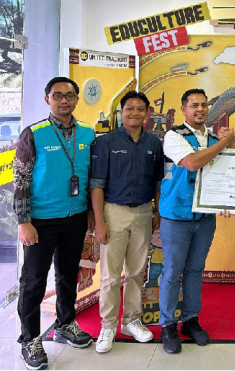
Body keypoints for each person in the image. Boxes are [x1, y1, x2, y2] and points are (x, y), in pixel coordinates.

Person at [15, 76, 96, 370]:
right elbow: (20, 180)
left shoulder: (88, 132)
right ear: (47, 98)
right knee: (33, 281)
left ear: (77, 99)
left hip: (75, 218)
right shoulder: (33, 134)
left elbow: (90, 176)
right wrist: (24, 221)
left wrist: (88, 211)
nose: (64, 100)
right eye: (57, 95)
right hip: (40, 221)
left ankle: (65, 324)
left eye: (70, 95)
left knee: (67, 275)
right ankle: (29, 339)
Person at [158, 88, 235, 354]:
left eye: (204, 105)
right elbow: (192, 163)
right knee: (172, 272)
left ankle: (190, 319)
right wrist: (223, 144)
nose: (200, 109)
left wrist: (228, 199)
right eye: (194, 105)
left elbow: (229, 169)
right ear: (184, 109)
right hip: (177, 215)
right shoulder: (173, 135)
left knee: (195, 270)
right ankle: (168, 325)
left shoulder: (214, 137)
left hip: (205, 217)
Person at [89, 91, 162, 353]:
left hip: (143, 212)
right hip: (113, 212)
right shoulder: (106, 142)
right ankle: (107, 325)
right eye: (129, 109)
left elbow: (157, 181)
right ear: (121, 112)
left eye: (140, 109)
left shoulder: (153, 143)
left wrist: (156, 211)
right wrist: (100, 222)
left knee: (136, 272)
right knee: (110, 275)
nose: (135, 113)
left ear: (147, 114)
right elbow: (96, 185)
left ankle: (131, 320)